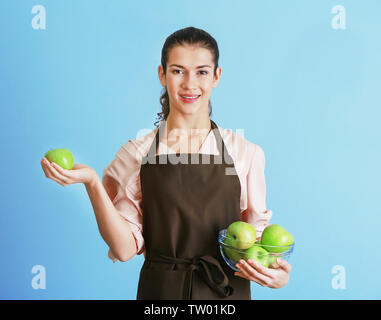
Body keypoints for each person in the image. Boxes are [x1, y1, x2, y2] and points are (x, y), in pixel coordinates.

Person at [40, 26, 291, 300]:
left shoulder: (246, 153)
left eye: (202, 71)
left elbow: (255, 245)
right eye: (178, 70)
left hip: (226, 295)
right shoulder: (136, 153)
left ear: (216, 76)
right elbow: (124, 249)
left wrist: (275, 274)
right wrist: (91, 183)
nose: (190, 84)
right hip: (160, 297)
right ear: (162, 74)